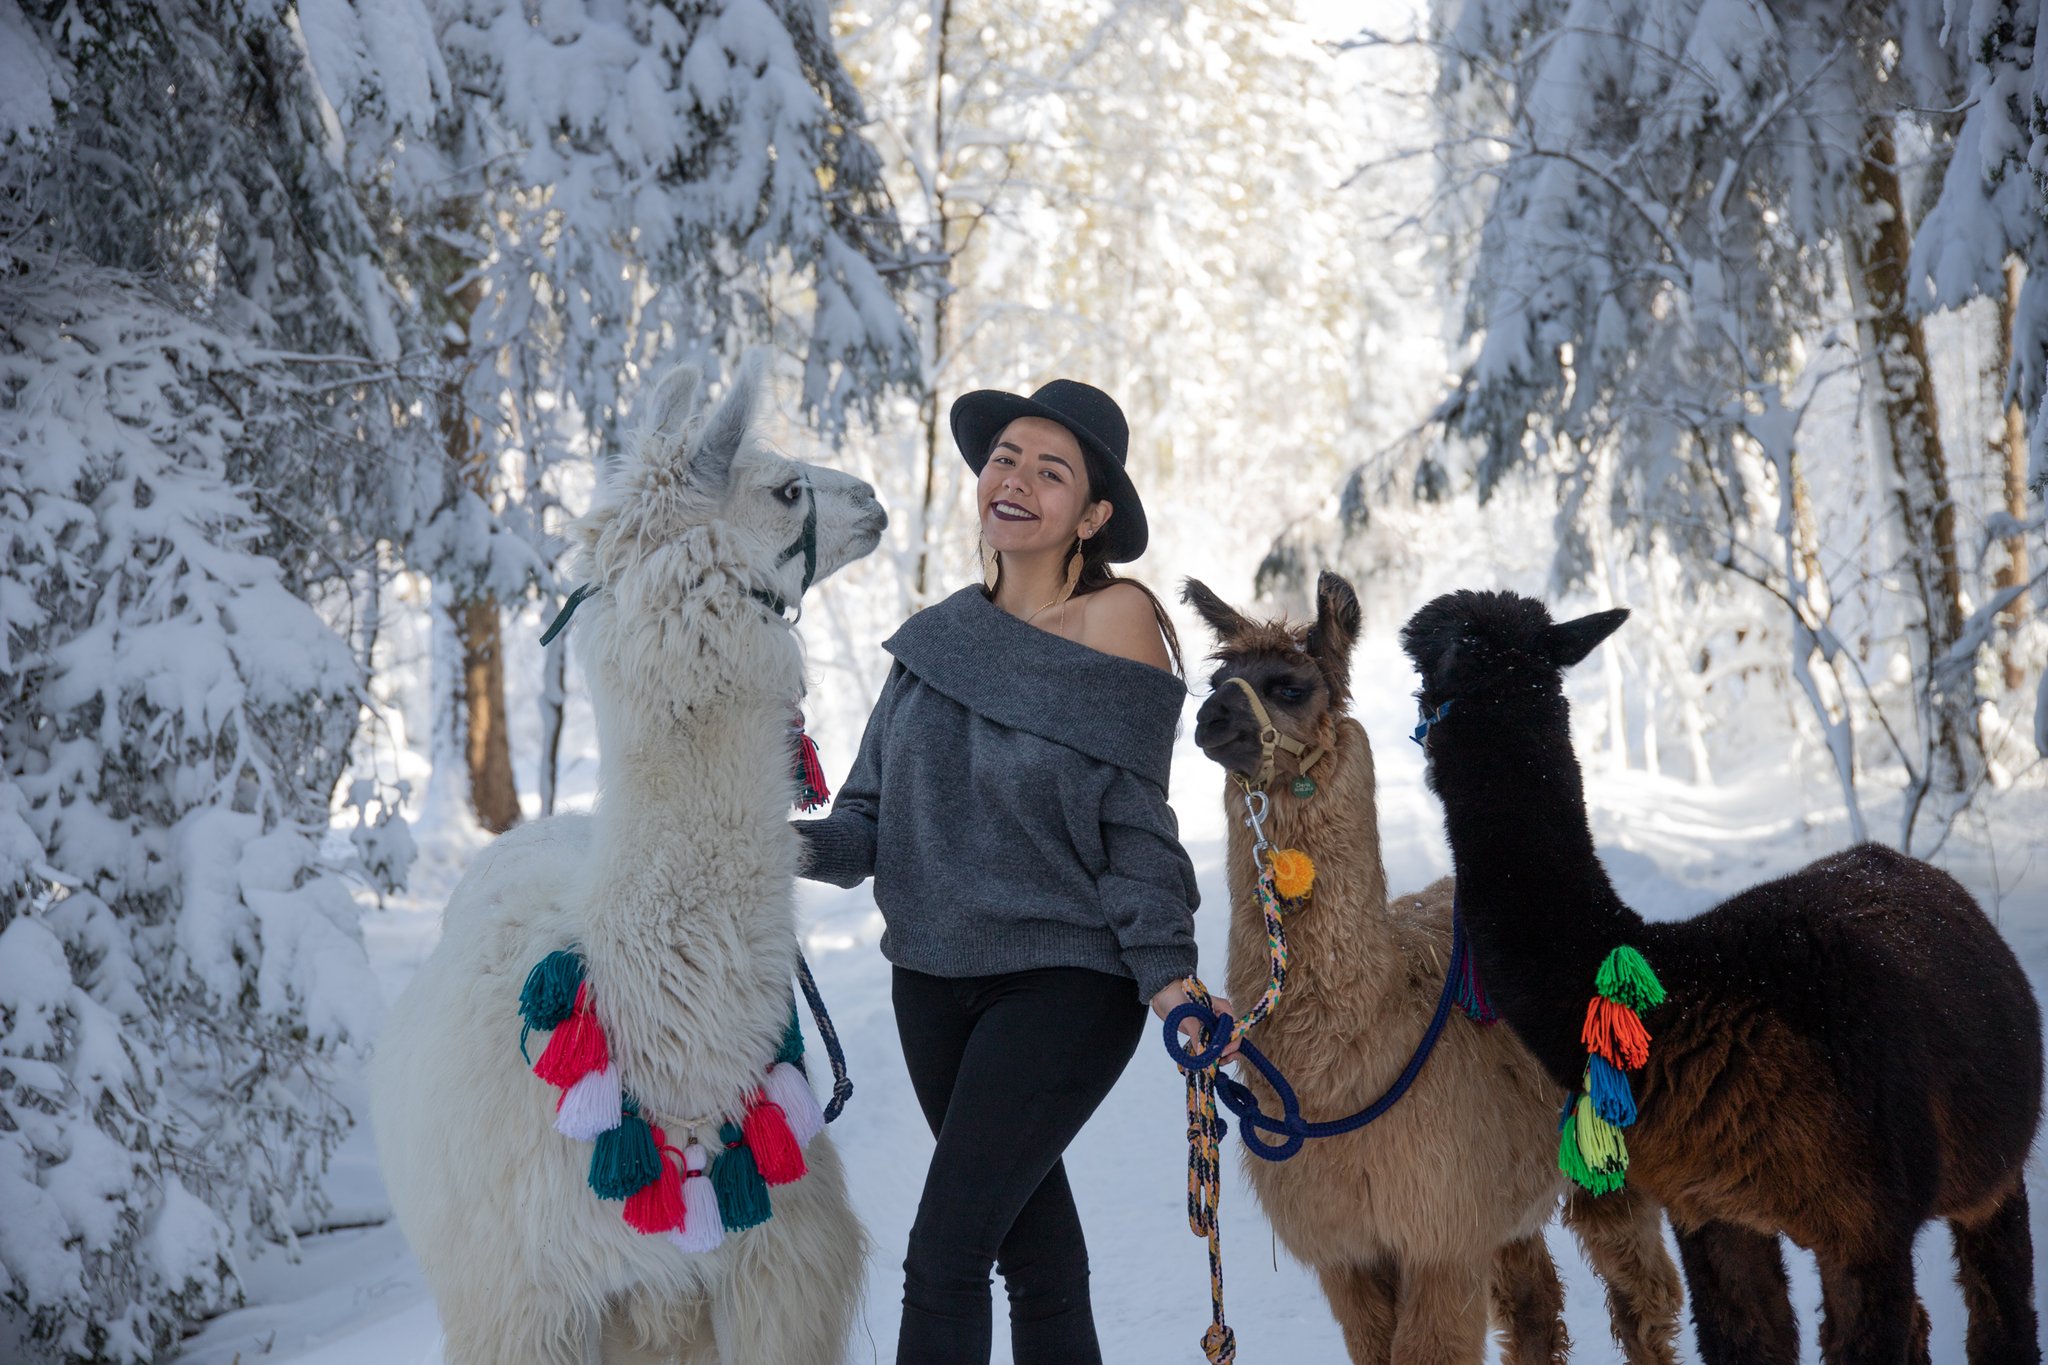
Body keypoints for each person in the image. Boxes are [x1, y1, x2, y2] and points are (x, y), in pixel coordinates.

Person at [795, 379, 1223, 1365]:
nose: (1016, 480)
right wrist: (766, 840)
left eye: (1051, 470)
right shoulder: (935, 639)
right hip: (931, 982)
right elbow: (865, 821)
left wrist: (1166, 975)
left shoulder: (1115, 620)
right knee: (1033, 1253)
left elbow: (1133, 826)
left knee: (944, 1254)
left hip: (1064, 981)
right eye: (1003, 460)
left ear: (1093, 513)